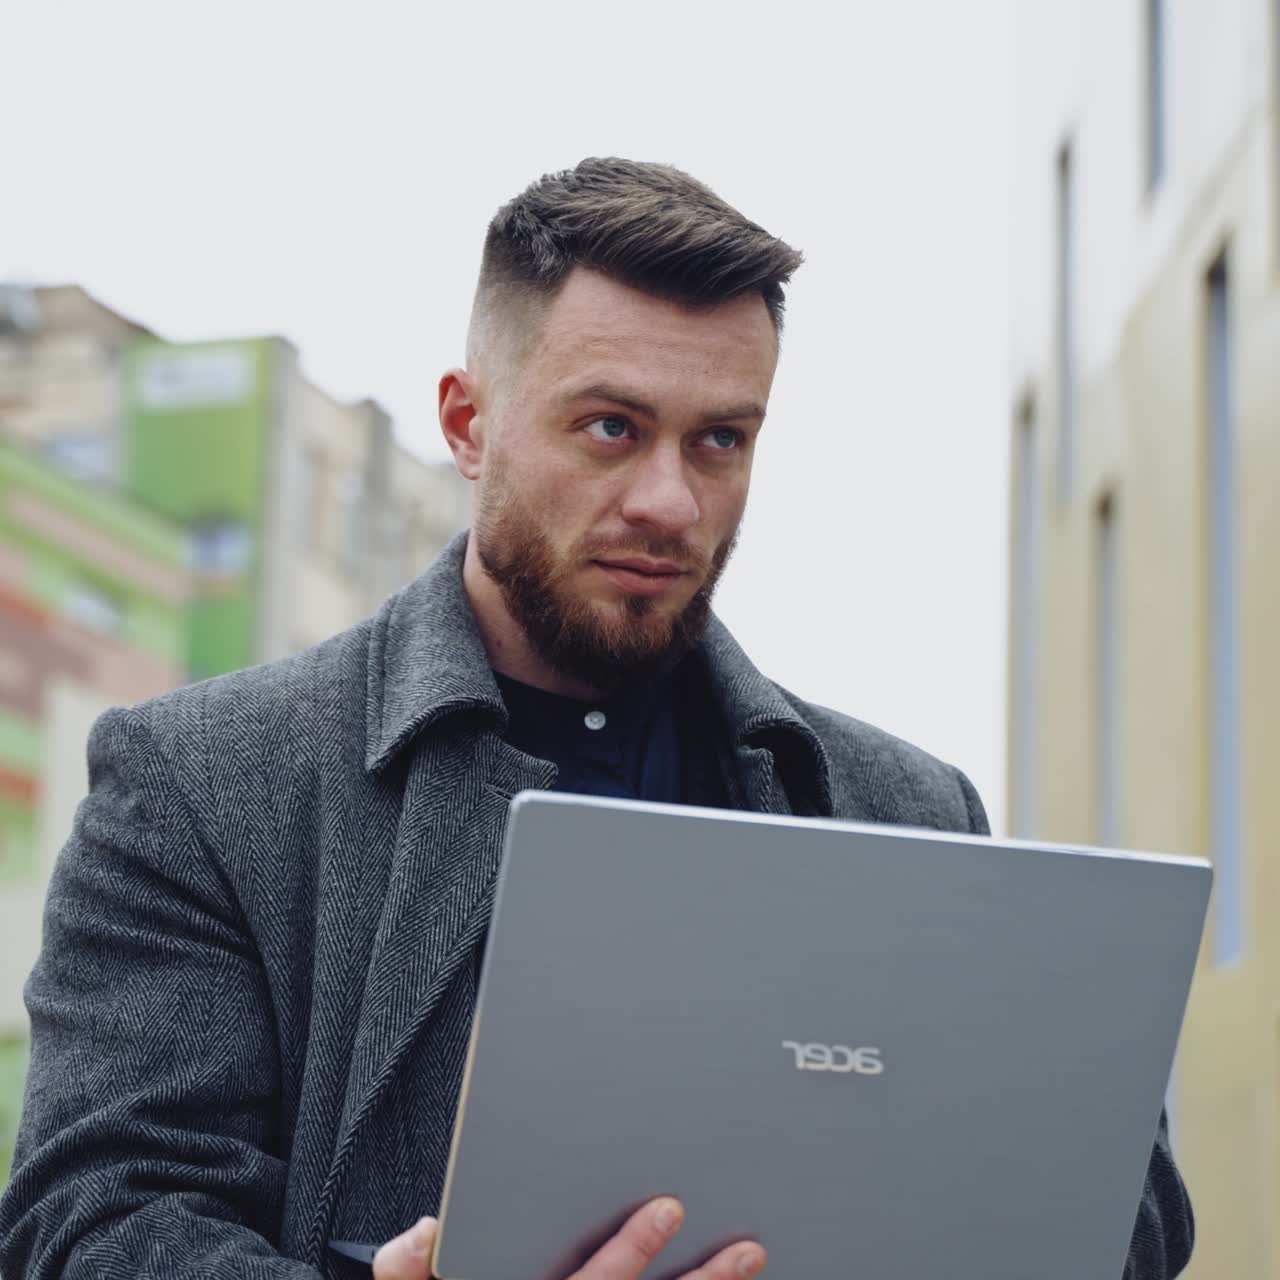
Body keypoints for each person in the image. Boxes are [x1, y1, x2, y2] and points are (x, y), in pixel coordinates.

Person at [0, 158, 1193, 1280]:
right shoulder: (204, 785)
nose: (670, 501)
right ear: (467, 425)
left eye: (719, 439)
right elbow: (91, 1218)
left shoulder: (908, 809)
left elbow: (1121, 1216)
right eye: (612, 426)